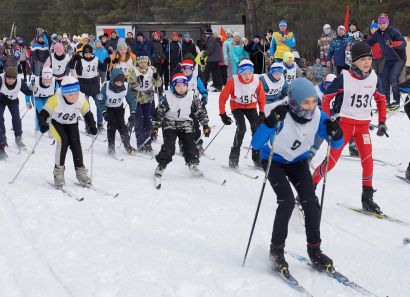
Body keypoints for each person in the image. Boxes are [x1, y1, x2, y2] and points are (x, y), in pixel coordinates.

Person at [251, 77, 344, 274]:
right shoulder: (280, 114)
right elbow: (256, 145)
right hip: (274, 160)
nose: (310, 107)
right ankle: (276, 251)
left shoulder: (319, 115)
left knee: (310, 200)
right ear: (293, 101)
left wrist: (336, 133)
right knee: (286, 201)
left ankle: (314, 249)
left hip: (298, 161)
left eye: (313, 101)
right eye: (305, 102)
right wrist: (268, 123)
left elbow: (336, 144)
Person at [312, 42, 387, 214]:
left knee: (368, 162)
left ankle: (367, 198)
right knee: (331, 162)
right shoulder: (344, 78)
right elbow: (326, 99)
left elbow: (381, 99)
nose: (367, 62)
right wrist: (328, 119)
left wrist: (382, 121)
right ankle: (309, 188)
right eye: (363, 59)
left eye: (369, 58)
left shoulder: (374, 78)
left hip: (362, 128)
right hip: (344, 126)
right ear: (354, 61)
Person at [38, 76, 97, 187]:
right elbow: (43, 114)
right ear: (63, 93)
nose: (74, 97)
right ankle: (58, 173)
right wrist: (43, 123)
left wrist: (92, 125)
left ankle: (81, 173)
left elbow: (88, 114)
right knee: (63, 142)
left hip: (72, 124)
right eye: (70, 95)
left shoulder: (81, 99)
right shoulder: (56, 98)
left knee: (76, 145)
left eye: (76, 93)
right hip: (57, 123)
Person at [151, 73, 210, 179]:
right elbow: (159, 113)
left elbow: (200, 111)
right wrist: (155, 126)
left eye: (183, 85)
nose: (181, 88)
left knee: (190, 145)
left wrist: (205, 124)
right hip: (170, 123)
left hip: (186, 123)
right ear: (173, 87)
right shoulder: (168, 97)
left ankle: (193, 165)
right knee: (169, 146)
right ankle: (161, 165)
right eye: (178, 86)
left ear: (187, 86)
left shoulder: (192, 97)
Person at [219, 59, 266, 168]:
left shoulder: (256, 80)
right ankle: (233, 158)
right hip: (237, 107)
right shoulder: (233, 81)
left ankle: (257, 158)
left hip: (251, 107)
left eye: (249, 73)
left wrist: (262, 112)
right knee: (241, 128)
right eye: (244, 73)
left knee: (257, 129)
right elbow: (223, 97)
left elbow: (262, 97)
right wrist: (222, 114)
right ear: (239, 72)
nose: (247, 76)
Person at [366, 13, 407, 110]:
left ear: (387, 22)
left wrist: (394, 43)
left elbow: (403, 43)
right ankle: (386, 101)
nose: (382, 25)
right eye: (380, 23)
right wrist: (361, 42)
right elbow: (370, 41)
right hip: (388, 59)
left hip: (399, 59)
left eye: (384, 22)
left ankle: (396, 101)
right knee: (384, 80)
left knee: (392, 77)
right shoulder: (378, 33)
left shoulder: (394, 32)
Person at [96, 68, 137, 156]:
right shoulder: (106, 86)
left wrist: (133, 112)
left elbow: (131, 100)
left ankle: (127, 146)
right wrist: (104, 112)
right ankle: (111, 147)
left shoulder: (125, 86)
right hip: (109, 109)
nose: (119, 84)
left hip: (119, 108)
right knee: (112, 126)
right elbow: (99, 100)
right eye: (117, 82)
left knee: (122, 126)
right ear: (112, 80)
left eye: (121, 82)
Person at [127, 55, 162, 151]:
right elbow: (130, 82)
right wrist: (137, 80)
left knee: (148, 120)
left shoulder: (152, 69)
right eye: (141, 62)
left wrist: (157, 78)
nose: (143, 64)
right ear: (137, 62)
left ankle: (148, 143)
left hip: (148, 98)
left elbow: (158, 84)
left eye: (145, 62)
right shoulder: (133, 69)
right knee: (139, 121)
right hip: (136, 98)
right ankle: (140, 142)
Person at [174, 57, 208, 153]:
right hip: (182, 107)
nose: (188, 72)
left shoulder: (195, 77)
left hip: (193, 106)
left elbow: (202, 89)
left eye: (190, 69)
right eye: (186, 69)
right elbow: (173, 90)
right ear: (182, 69)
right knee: (183, 127)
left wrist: (205, 97)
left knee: (196, 126)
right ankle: (182, 145)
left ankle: (198, 144)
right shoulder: (179, 79)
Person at [69, 44, 104, 131]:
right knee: (86, 108)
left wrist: (108, 61)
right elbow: (70, 66)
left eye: (89, 54)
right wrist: (73, 59)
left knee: (100, 105)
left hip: (95, 86)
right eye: (86, 54)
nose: (88, 55)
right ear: (83, 53)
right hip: (83, 87)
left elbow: (103, 68)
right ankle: (88, 126)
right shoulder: (80, 60)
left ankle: (100, 124)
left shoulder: (95, 59)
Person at [0, 66, 32, 159]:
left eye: (12, 79)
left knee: (16, 118)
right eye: (8, 78)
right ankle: (2, 140)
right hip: (1, 100)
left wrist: (33, 89)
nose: (10, 81)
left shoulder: (20, 81)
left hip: (13, 100)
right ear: (5, 76)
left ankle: (18, 137)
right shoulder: (0, 79)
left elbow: (28, 92)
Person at [309, 73, 337, 159]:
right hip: (321, 113)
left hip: (335, 112)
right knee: (323, 127)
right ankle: (313, 149)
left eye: (333, 85)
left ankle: (353, 146)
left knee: (348, 125)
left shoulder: (339, 90)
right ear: (324, 82)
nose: (330, 88)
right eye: (328, 85)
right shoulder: (316, 91)